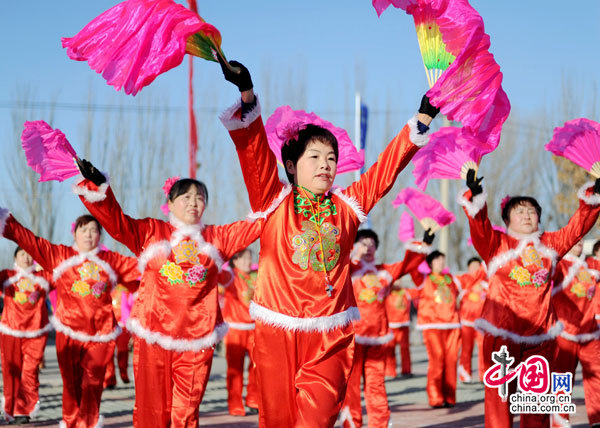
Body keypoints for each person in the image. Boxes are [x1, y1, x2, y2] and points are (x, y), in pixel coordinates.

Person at [218, 57, 439, 426]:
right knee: (278, 420)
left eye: (331, 158)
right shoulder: (272, 202)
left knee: (318, 418)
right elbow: (256, 156)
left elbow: (384, 171)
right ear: (291, 165)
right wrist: (247, 93)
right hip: (276, 332)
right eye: (315, 157)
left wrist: (422, 120)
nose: (326, 164)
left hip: (330, 335)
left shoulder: (347, 206)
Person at [73, 165, 261, 428]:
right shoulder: (151, 232)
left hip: (197, 340)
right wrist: (98, 188)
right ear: (170, 203)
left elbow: (257, 223)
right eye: (186, 197)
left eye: (199, 197)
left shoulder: (216, 238)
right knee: (152, 411)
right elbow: (117, 223)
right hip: (154, 337)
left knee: (186, 412)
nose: (194, 203)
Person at [458, 169, 600, 428]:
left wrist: (596, 194)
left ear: (539, 219)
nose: (526, 215)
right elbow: (479, 225)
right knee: (500, 403)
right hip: (502, 337)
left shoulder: (550, 244)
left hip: (540, 339)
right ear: (506, 218)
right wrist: (476, 195)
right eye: (519, 210)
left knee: (536, 404)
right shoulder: (496, 243)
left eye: (531, 211)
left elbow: (578, 226)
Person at [0, 212, 139, 428]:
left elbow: (145, 269)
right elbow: (31, 241)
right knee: (72, 385)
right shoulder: (60, 256)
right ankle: (70, 421)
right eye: (84, 230)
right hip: (67, 332)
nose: (89, 234)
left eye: (94, 230)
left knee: (92, 382)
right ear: (74, 233)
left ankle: (87, 423)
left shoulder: (112, 260)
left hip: (100, 334)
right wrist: (5, 220)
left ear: (100, 236)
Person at [340, 229, 431, 428]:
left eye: (372, 243)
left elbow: (408, 264)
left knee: (376, 383)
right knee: (352, 386)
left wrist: (423, 244)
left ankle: (379, 423)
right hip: (353, 337)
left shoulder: (385, 271)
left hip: (378, 335)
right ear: (355, 245)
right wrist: (354, 254)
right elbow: (338, 265)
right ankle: (351, 423)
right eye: (364, 242)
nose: (368, 247)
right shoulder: (349, 269)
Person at [550, 240, 600, 428]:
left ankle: (597, 418)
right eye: (574, 242)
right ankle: (560, 421)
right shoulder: (559, 264)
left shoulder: (590, 265)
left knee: (596, 377)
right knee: (562, 379)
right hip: (565, 332)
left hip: (590, 331)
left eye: (580, 242)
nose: (578, 245)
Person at [0, 247, 51, 424]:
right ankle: (10, 409)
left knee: (29, 372)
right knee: (10, 371)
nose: (27, 258)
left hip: (35, 332)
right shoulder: (7, 276)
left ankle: (23, 410)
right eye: (23, 254)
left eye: (30, 255)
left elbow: (65, 277)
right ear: (15, 257)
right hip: (10, 331)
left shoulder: (43, 277)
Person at [413, 250, 461, 408]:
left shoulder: (450, 279)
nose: (441, 263)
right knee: (437, 359)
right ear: (430, 263)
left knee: (451, 360)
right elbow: (412, 267)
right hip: (432, 324)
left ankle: (450, 397)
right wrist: (422, 249)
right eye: (438, 260)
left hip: (452, 324)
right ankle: (435, 397)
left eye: (443, 260)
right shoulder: (424, 279)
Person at [222, 248, 259, 416]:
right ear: (234, 261)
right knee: (235, 369)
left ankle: (254, 399)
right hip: (235, 329)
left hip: (254, 328)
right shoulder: (230, 276)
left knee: (256, 366)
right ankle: (235, 404)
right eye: (243, 259)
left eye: (249, 259)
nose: (246, 262)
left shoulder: (255, 275)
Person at [457, 256, 487, 383]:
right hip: (466, 321)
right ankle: (464, 374)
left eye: (477, 266)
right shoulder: (463, 280)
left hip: (482, 323)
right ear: (468, 268)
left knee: (483, 350)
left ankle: (484, 375)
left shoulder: (486, 282)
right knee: (466, 348)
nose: (474, 269)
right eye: (472, 266)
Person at [103, 283, 136, 388]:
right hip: (109, 324)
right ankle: (110, 378)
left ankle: (124, 374)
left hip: (124, 325)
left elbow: (132, 305)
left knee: (123, 350)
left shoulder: (128, 289)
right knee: (109, 353)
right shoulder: (107, 287)